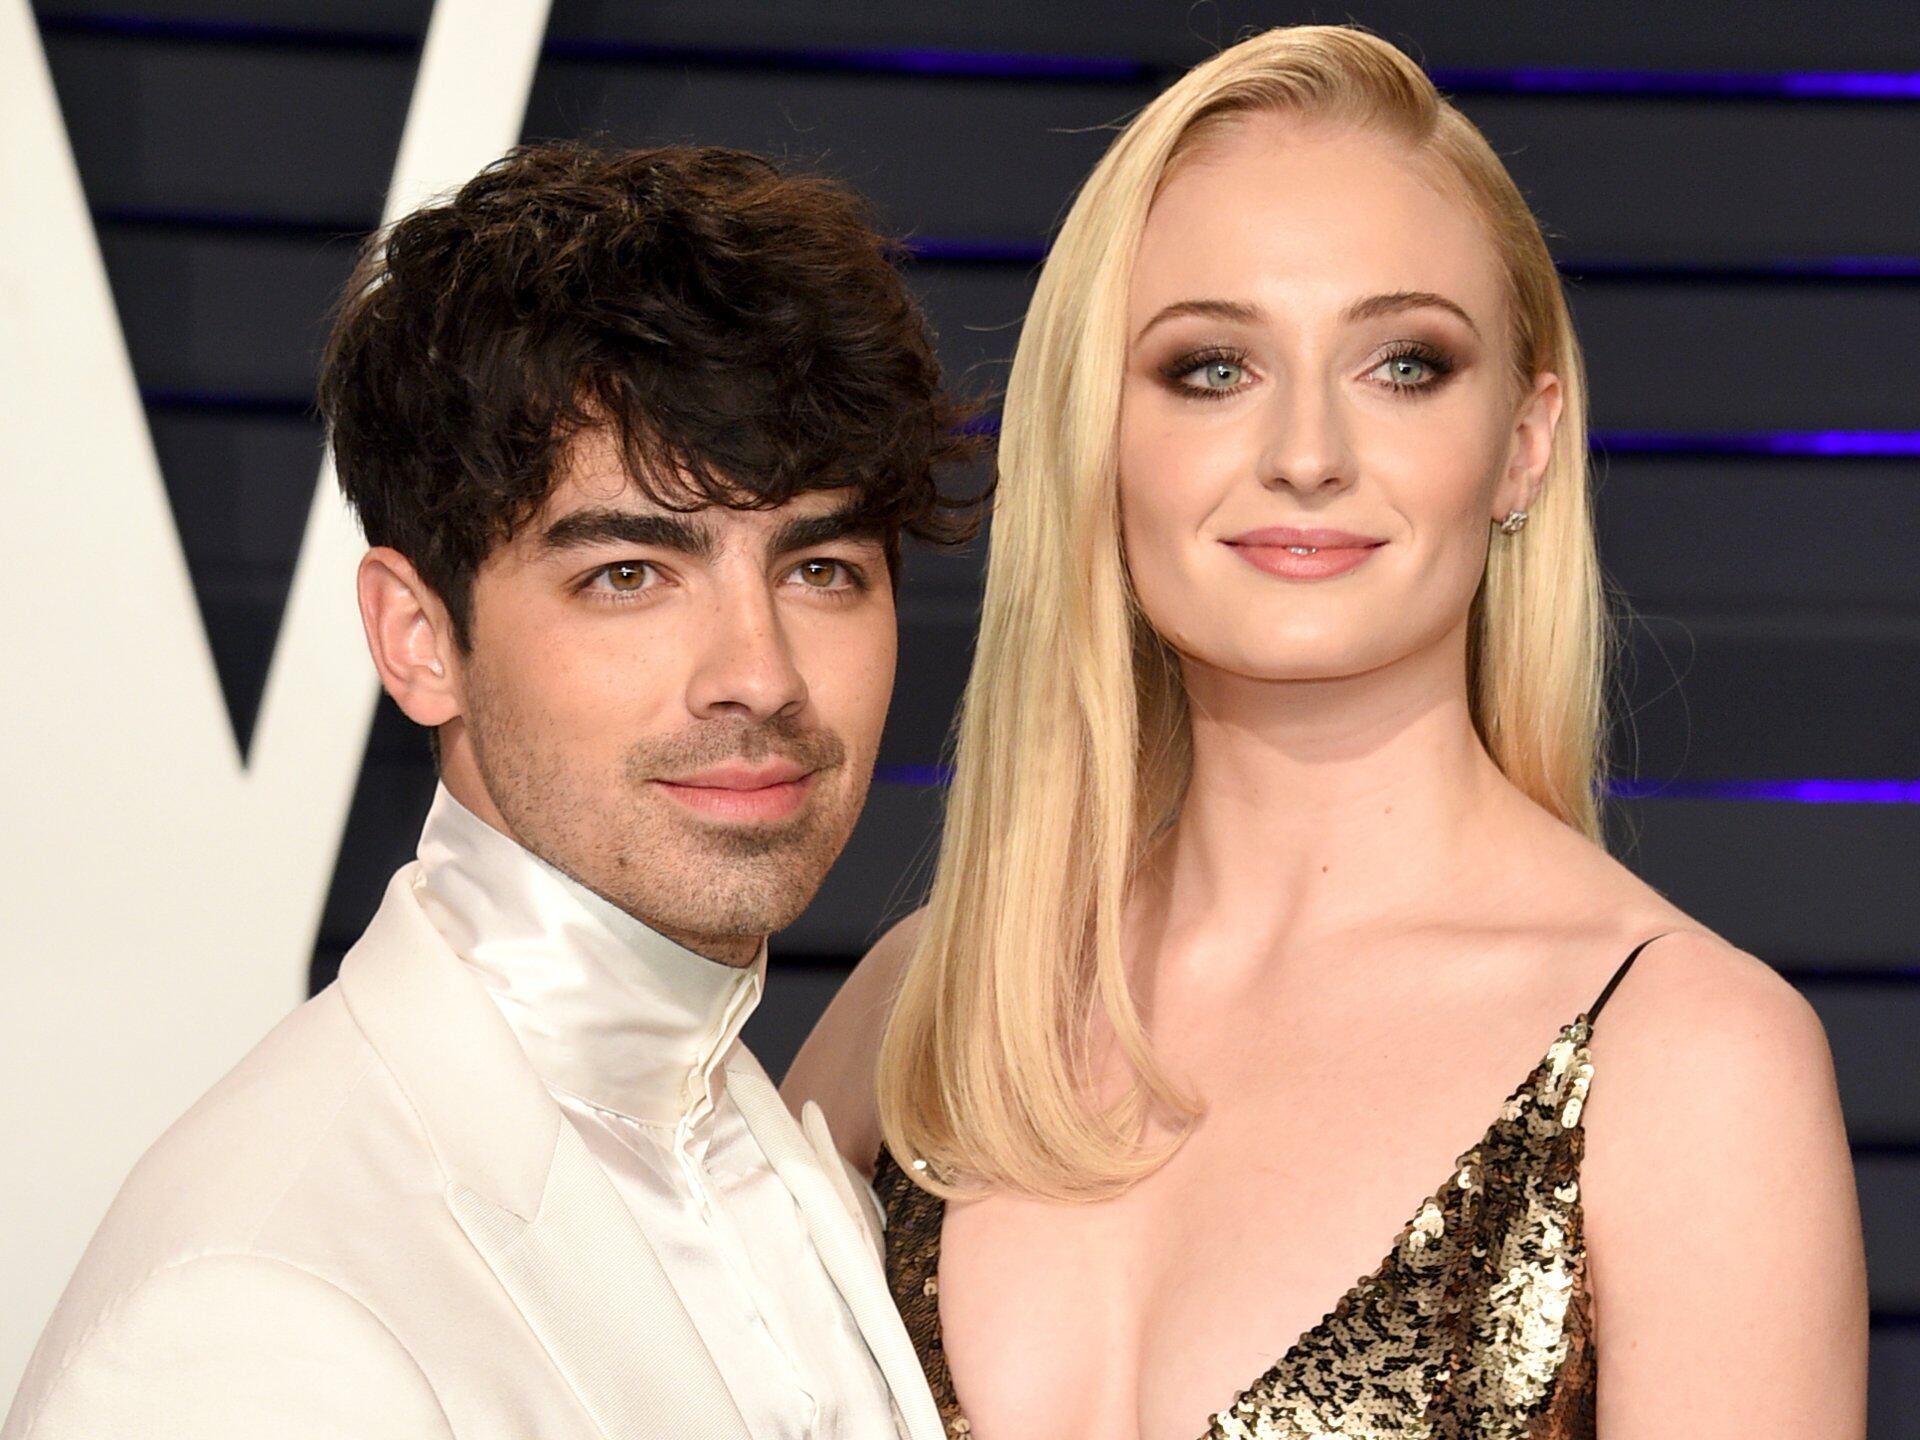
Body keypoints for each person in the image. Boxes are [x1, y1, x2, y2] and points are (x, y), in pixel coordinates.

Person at [785, 26, 1868, 1440]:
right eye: (1210, 367)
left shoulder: (1693, 1064)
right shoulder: (927, 1004)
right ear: (1094, 432)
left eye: (1404, 364)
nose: (1307, 453)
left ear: (1524, 442)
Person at [4, 142, 979, 1440]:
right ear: (417, 638)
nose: (759, 675)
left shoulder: (774, 1153)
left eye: (820, 570)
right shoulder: (254, 1310)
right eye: (628, 575)